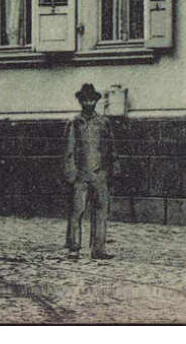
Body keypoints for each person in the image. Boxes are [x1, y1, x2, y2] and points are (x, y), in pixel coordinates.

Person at [63, 83, 115, 260]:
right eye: (85, 99)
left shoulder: (103, 122)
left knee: (101, 211)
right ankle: (74, 247)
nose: (89, 102)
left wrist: (112, 168)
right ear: (80, 101)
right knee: (77, 210)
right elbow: (69, 148)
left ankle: (99, 248)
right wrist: (70, 171)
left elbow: (110, 146)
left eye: (92, 99)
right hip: (81, 174)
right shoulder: (75, 122)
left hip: (100, 173)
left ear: (96, 101)